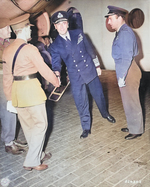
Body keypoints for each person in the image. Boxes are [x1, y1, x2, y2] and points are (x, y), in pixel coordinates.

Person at [2, 14, 60, 171]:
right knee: (41, 124)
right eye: (29, 29)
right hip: (32, 92)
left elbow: (6, 78)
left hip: (17, 93)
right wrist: (56, 81)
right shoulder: (30, 48)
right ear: (23, 30)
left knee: (28, 126)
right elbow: (43, 69)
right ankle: (32, 161)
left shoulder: (6, 51)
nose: (31, 33)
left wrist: (9, 98)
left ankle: (38, 154)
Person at [48, 11, 116, 139]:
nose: (62, 26)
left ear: (67, 24)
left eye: (64, 23)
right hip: (75, 75)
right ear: (55, 26)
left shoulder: (78, 33)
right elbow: (56, 63)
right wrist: (56, 74)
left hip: (89, 69)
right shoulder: (55, 45)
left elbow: (90, 49)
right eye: (58, 24)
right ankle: (86, 127)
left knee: (99, 95)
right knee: (81, 101)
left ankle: (105, 113)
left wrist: (97, 65)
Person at [105, 6, 143, 140]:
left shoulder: (125, 32)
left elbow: (126, 57)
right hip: (127, 68)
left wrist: (122, 76)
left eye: (110, 19)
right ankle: (133, 125)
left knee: (132, 101)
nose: (109, 22)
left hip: (128, 70)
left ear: (120, 18)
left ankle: (136, 130)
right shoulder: (122, 31)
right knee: (128, 101)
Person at [0, 24, 27, 155]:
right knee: (7, 111)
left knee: (12, 109)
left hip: (10, 78)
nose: (10, 30)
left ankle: (10, 138)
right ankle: (8, 143)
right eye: (6, 28)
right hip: (2, 79)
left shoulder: (8, 42)